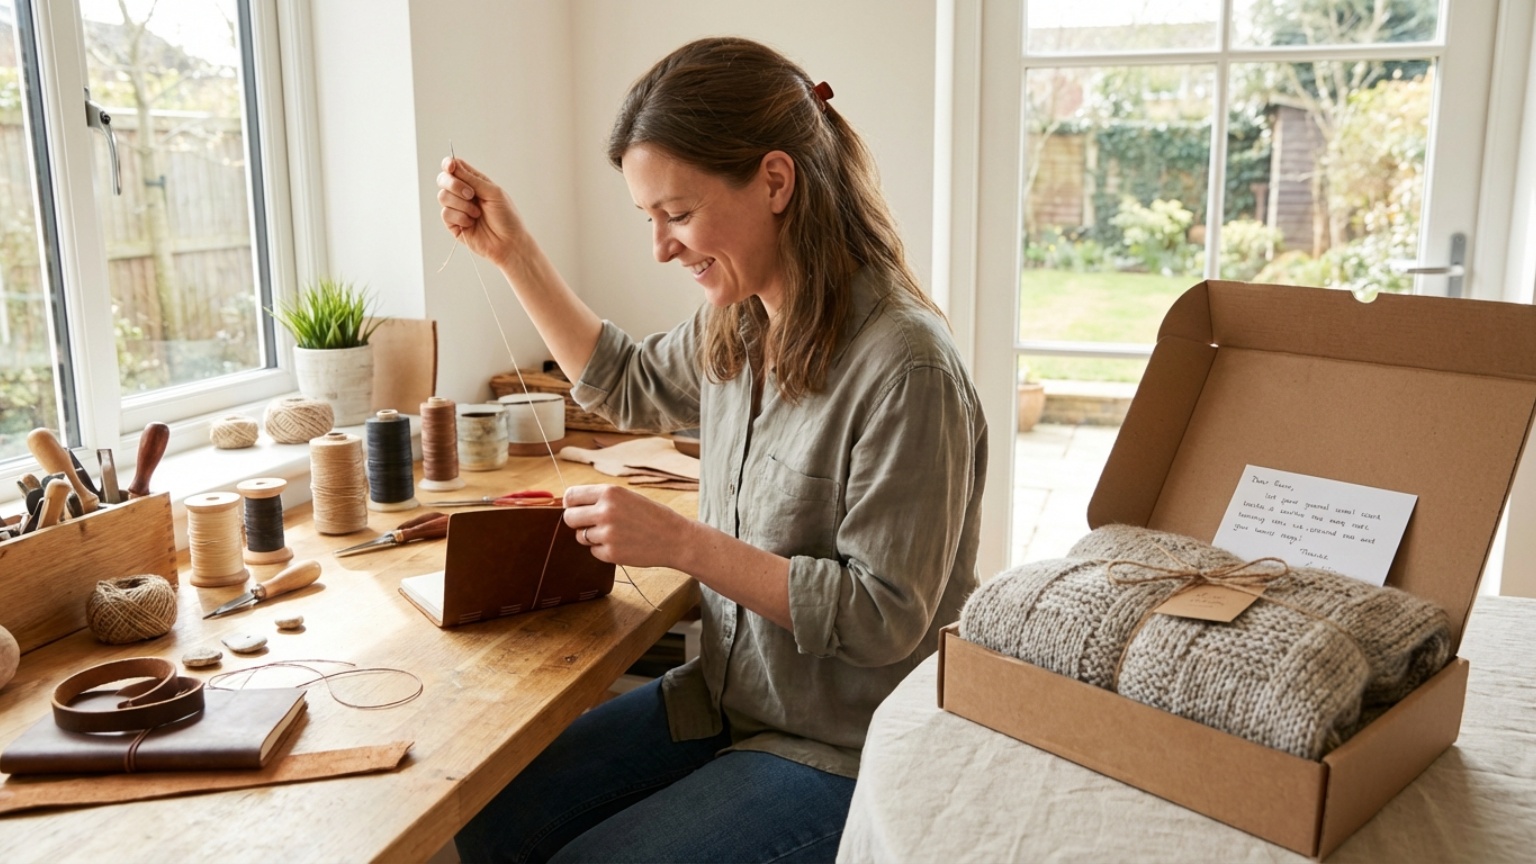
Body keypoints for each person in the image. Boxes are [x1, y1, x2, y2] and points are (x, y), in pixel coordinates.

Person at [439, 36, 987, 864]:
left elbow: (884, 617)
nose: (661, 247)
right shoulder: (739, 320)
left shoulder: (906, 368)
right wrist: (509, 251)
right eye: (648, 217)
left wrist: (681, 545)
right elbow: (623, 381)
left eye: (679, 213)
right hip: (727, 700)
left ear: (775, 180)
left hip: (846, 749)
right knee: (487, 818)